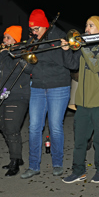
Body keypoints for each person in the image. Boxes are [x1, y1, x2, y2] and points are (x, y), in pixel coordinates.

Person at [20, 9, 76, 179]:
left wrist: (61, 49)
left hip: (58, 86)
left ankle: (57, 163)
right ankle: (33, 165)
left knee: (55, 126)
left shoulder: (59, 36)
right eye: (32, 30)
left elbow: (70, 64)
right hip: (37, 86)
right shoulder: (33, 40)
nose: (34, 32)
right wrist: (24, 59)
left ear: (45, 26)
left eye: (36, 29)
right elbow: (29, 67)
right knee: (34, 127)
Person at [61, 16, 99, 183]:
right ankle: (78, 171)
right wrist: (66, 50)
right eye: (86, 25)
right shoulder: (82, 48)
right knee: (80, 140)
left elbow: (96, 65)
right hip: (82, 103)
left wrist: (83, 47)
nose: (86, 28)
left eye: (91, 25)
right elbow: (72, 65)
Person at [0, 25, 30, 176]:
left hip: (16, 94)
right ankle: (17, 157)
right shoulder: (0, 54)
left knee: (11, 128)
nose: (4, 40)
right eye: (4, 37)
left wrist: (5, 53)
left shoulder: (21, 52)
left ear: (16, 40)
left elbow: (14, 67)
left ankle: (15, 161)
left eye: (8, 37)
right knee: (3, 127)